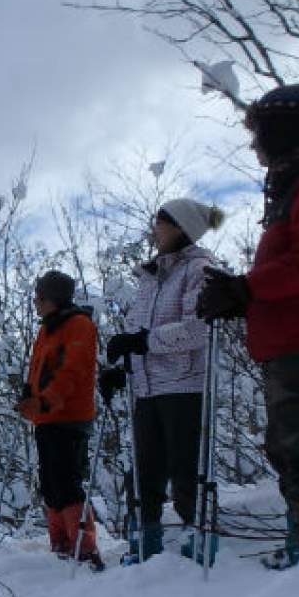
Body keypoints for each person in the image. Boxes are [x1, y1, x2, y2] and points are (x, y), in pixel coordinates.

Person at [197, 82, 299, 570]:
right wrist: (244, 297)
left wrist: (246, 289)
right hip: (296, 345)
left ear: (285, 129)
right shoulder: (296, 183)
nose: (255, 145)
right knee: (292, 448)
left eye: (260, 132)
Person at [100, 199, 224, 564]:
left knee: (187, 469)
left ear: (181, 228)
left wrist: (143, 343)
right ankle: (144, 541)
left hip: (184, 384)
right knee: (143, 471)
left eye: (161, 224)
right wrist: (124, 366)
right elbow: (139, 330)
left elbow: (197, 330)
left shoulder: (199, 269)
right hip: (148, 386)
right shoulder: (151, 277)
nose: (154, 231)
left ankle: (199, 539)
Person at [16, 270, 103, 571]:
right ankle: (61, 545)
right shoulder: (47, 329)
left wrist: (45, 401)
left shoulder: (79, 325)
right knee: (51, 484)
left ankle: (84, 549)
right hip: (46, 417)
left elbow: (73, 372)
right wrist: (29, 392)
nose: (35, 302)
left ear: (52, 298)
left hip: (69, 417)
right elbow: (37, 365)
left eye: (39, 297)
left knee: (67, 484)